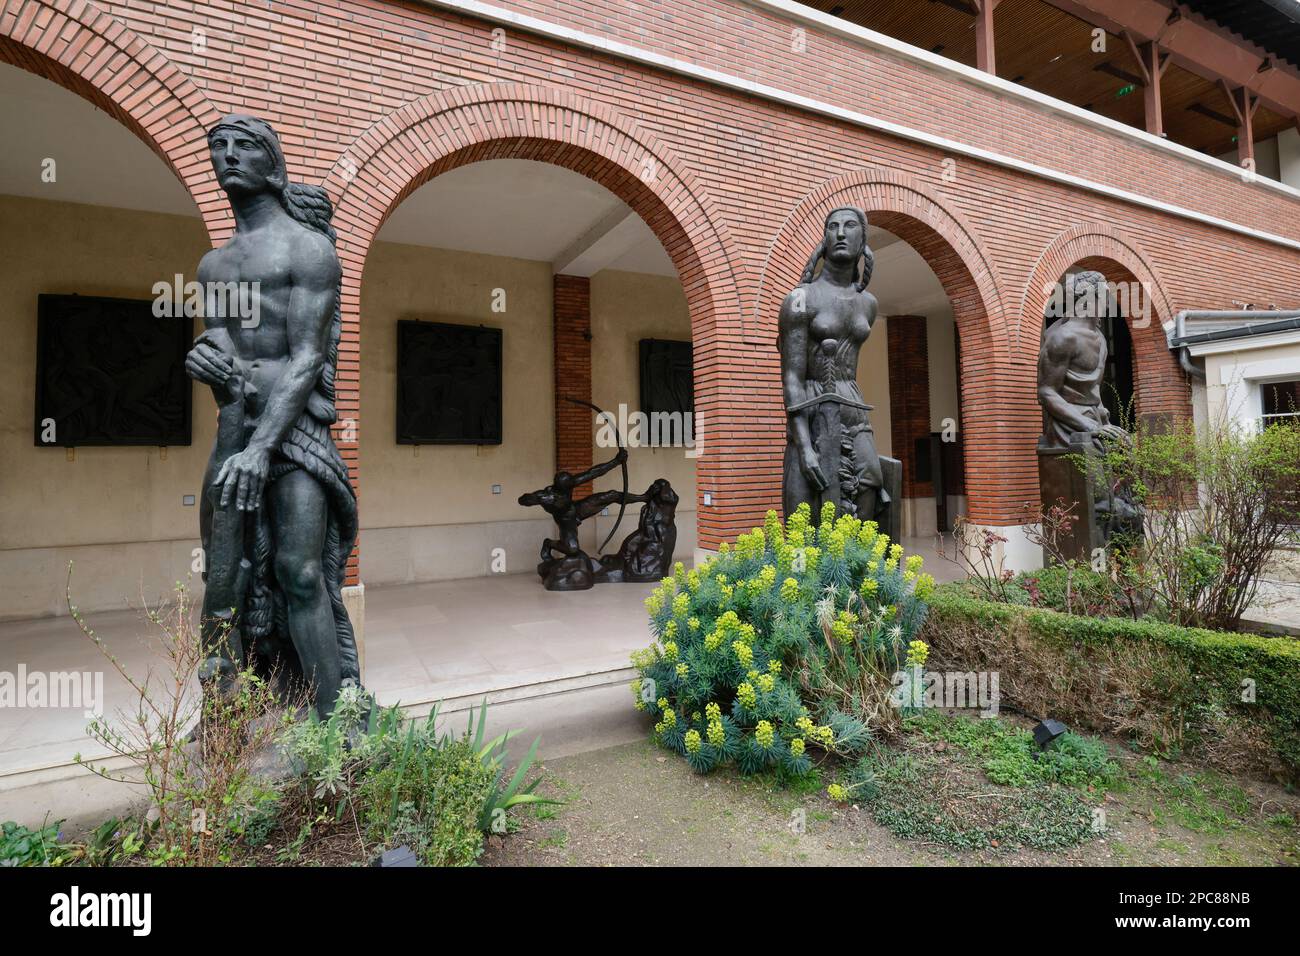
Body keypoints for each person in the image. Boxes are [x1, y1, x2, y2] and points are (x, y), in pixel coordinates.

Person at [185, 115, 359, 718]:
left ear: (273, 163)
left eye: (245, 146)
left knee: (300, 571)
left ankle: (336, 723)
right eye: (219, 147)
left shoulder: (308, 250)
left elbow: (308, 356)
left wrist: (262, 448)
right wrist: (208, 366)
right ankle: (232, 716)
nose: (228, 155)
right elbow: (224, 358)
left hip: (294, 437)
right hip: (236, 431)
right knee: (223, 575)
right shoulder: (213, 267)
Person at [778, 205, 887, 522]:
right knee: (807, 502)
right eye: (832, 226)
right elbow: (792, 380)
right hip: (812, 405)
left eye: (850, 226)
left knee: (870, 483)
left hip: (852, 403)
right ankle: (808, 565)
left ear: (863, 240)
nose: (840, 233)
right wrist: (803, 446)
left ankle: (854, 565)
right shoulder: (800, 298)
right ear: (824, 239)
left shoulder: (868, 303)